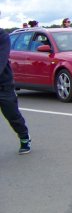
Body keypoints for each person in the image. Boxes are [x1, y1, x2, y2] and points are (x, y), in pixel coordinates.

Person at [0, 12, 31, 154]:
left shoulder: (2, 37)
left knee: (12, 114)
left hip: (3, 84)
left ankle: (24, 136)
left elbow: (1, 60)